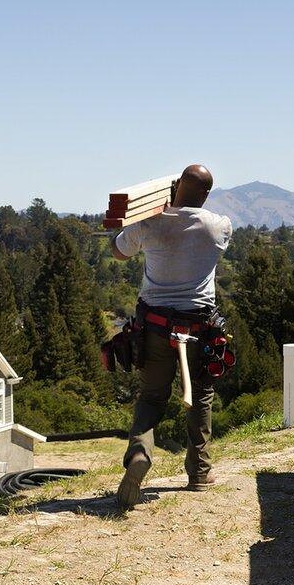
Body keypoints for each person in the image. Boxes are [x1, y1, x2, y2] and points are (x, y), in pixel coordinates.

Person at [110, 165, 233, 510]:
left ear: (175, 186)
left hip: (155, 327)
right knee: (201, 394)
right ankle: (199, 472)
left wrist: (152, 211)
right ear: (206, 194)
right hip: (199, 328)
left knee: (151, 398)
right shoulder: (218, 226)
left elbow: (118, 251)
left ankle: (139, 453)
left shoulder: (150, 223)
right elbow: (216, 227)